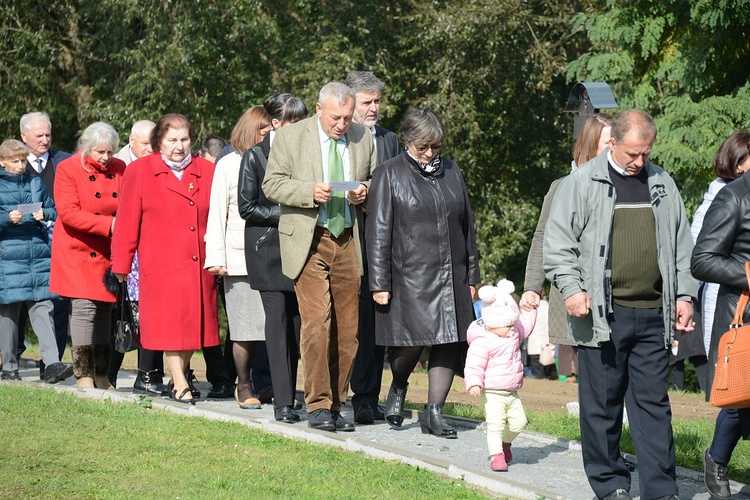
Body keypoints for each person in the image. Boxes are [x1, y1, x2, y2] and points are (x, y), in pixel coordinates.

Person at [543, 109, 697, 500]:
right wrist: (572, 288)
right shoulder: (582, 181)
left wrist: (684, 296)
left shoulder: (662, 182)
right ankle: (611, 484)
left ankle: (661, 490)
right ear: (612, 143)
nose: (640, 162)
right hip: (601, 315)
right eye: (632, 154)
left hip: (653, 314)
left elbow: (682, 245)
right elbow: (558, 244)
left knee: (653, 406)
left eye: (646, 153)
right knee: (602, 407)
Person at [262, 82, 376, 431]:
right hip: (309, 241)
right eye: (335, 118)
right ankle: (318, 406)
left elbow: (374, 178)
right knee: (316, 324)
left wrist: (364, 191)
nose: (342, 124)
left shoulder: (363, 137)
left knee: (348, 331)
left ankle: (338, 404)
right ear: (318, 109)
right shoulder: (290, 138)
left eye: (346, 117)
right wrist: (308, 191)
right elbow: (272, 184)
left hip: (347, 240)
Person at [367, 107, 481, 439]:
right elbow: (378, 232)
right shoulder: (388, 173)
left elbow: (467, 226)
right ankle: (399, 385)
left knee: (449, 340)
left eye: (435, 147)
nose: (430, 153)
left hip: (451, 273)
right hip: (409, 276)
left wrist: (472, 274)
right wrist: (379, 282)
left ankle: (434, 413)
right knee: (410, 346)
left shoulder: (452, 171)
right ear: (407, 141)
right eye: (423, 147)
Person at [111, 113, 220, 404]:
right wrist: (121, 264)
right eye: (172, 140)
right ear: (159, 140)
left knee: (190, 329)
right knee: (171, 326)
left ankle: (177, 377)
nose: (179, 146)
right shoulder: (140, 171)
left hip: (199, 264)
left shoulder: (207, 171)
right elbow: (126, 222)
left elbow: (220, 216)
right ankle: (181, 381)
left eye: (184, 139)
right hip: (160, 265)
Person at [520, 113, 614, 385]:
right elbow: (543, 237)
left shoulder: (629, 186)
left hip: (618, 294)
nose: (615, 148)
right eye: (608, 142)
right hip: (577, 290)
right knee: (591, 368)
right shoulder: (562, 186)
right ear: (590, 144)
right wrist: (532, 286)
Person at [238, 92, 308, 422]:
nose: (300, 128)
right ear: (277, 123)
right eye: (294, 123)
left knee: (295, 327)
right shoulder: (254, 156)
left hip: (299, 248)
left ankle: (290, 396)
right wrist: (288, 211)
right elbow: (246, 206)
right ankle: (283, 404)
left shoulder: (307, 156)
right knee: (277, 325)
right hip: (267, 250)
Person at [690, 129, 750, 500]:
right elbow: (702, 260)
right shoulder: (734, 196)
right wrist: (746, 273)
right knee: (741, 401)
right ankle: (716, 458)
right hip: (743, 315)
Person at [49, 122, 127, 390]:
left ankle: (103, 375)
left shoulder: (120, 168)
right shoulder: (68, 168)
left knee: (105, 311)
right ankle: (84, 376)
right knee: (84, 310)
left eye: (110, 152)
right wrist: (110, 225)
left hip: (107, 251)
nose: (106, 157)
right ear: (85, 148)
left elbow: (127, 204)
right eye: (99, 152)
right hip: (77, 249)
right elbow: (68, 212)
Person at [343, 71, 400, 424]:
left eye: (378, 101)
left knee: (382, 324)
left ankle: (378, 394)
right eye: (367, 102)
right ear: (350, 103)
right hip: (349, 239)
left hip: (389, 245)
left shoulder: (391, 140)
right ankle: (360, 396)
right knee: (359, 324)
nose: (374, 108)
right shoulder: (340, 139)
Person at [0, 139, 72, 383]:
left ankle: (52, 363)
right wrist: (7, 218)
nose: (21, 165)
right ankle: (10, 366)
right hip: (9, 257)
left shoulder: (35, 182)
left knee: (44, 307)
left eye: (23, 160)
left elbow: (55, 209)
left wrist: (46, 214)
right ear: (2, 162)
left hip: (38, 255)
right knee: (9, 313)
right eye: (15, 161)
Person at [465, 279, 537, 472]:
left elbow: (525, 325)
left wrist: (530, 309)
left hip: (511, 392)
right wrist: (473, 382)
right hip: (491, 392)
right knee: (494, 424)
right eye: (508, 325)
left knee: (519, 422)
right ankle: (496, 455)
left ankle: (506, 443)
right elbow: (474, 363)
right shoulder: (483, 340)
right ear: (492, 325)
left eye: (513, 324)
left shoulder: (513, 333)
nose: (512, 328)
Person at [19, 111, 72, 373]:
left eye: (48, 134)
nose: (44, 140)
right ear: (23, 136)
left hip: (59, 246)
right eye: (39, 135)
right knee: (18, 304)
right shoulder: (11, 165)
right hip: (22, 246)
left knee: (59, 303)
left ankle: (53, 362)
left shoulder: (65, 162)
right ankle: (13, 356)